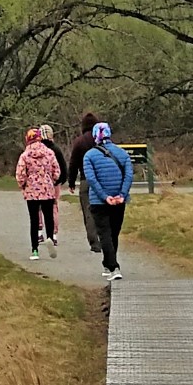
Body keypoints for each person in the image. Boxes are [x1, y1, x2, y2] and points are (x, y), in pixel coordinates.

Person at [81, 120, 134, 280]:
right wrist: (122, 195)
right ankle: (108, 263)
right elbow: (129, 175)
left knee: (104, 234)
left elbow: (91, 179)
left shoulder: (89, 156)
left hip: (99, 201)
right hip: (119, 201)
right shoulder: (122, 153)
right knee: (114, 233)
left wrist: (104, 197)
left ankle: (113, 267)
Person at [15, 127, 62, 261]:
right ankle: (50, 239)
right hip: (47, 189)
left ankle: (35, 250)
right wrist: (51, 180)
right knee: (49, 217)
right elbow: (56, 171)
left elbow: (20, 174)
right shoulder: (49, 153)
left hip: (32, 191)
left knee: (34, 220)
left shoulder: (25, 155)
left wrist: (23, 185)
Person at [65, 112, 103, 253]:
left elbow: (73, 163)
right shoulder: (101, 140)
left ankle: (94, 243)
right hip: (102, 179)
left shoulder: (79, 142)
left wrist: (71, 182)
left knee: (88, 212)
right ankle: (104, 238)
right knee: (102, 210)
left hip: (86, 180)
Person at [35, 124, 66, 248]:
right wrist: (60, 181)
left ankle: (39, 232)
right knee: (53, 208)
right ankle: (53, 235)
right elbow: (63, 168)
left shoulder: (35, 149)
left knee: (38, 207)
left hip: (37, 183)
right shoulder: (55, 150)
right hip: (53, 183)